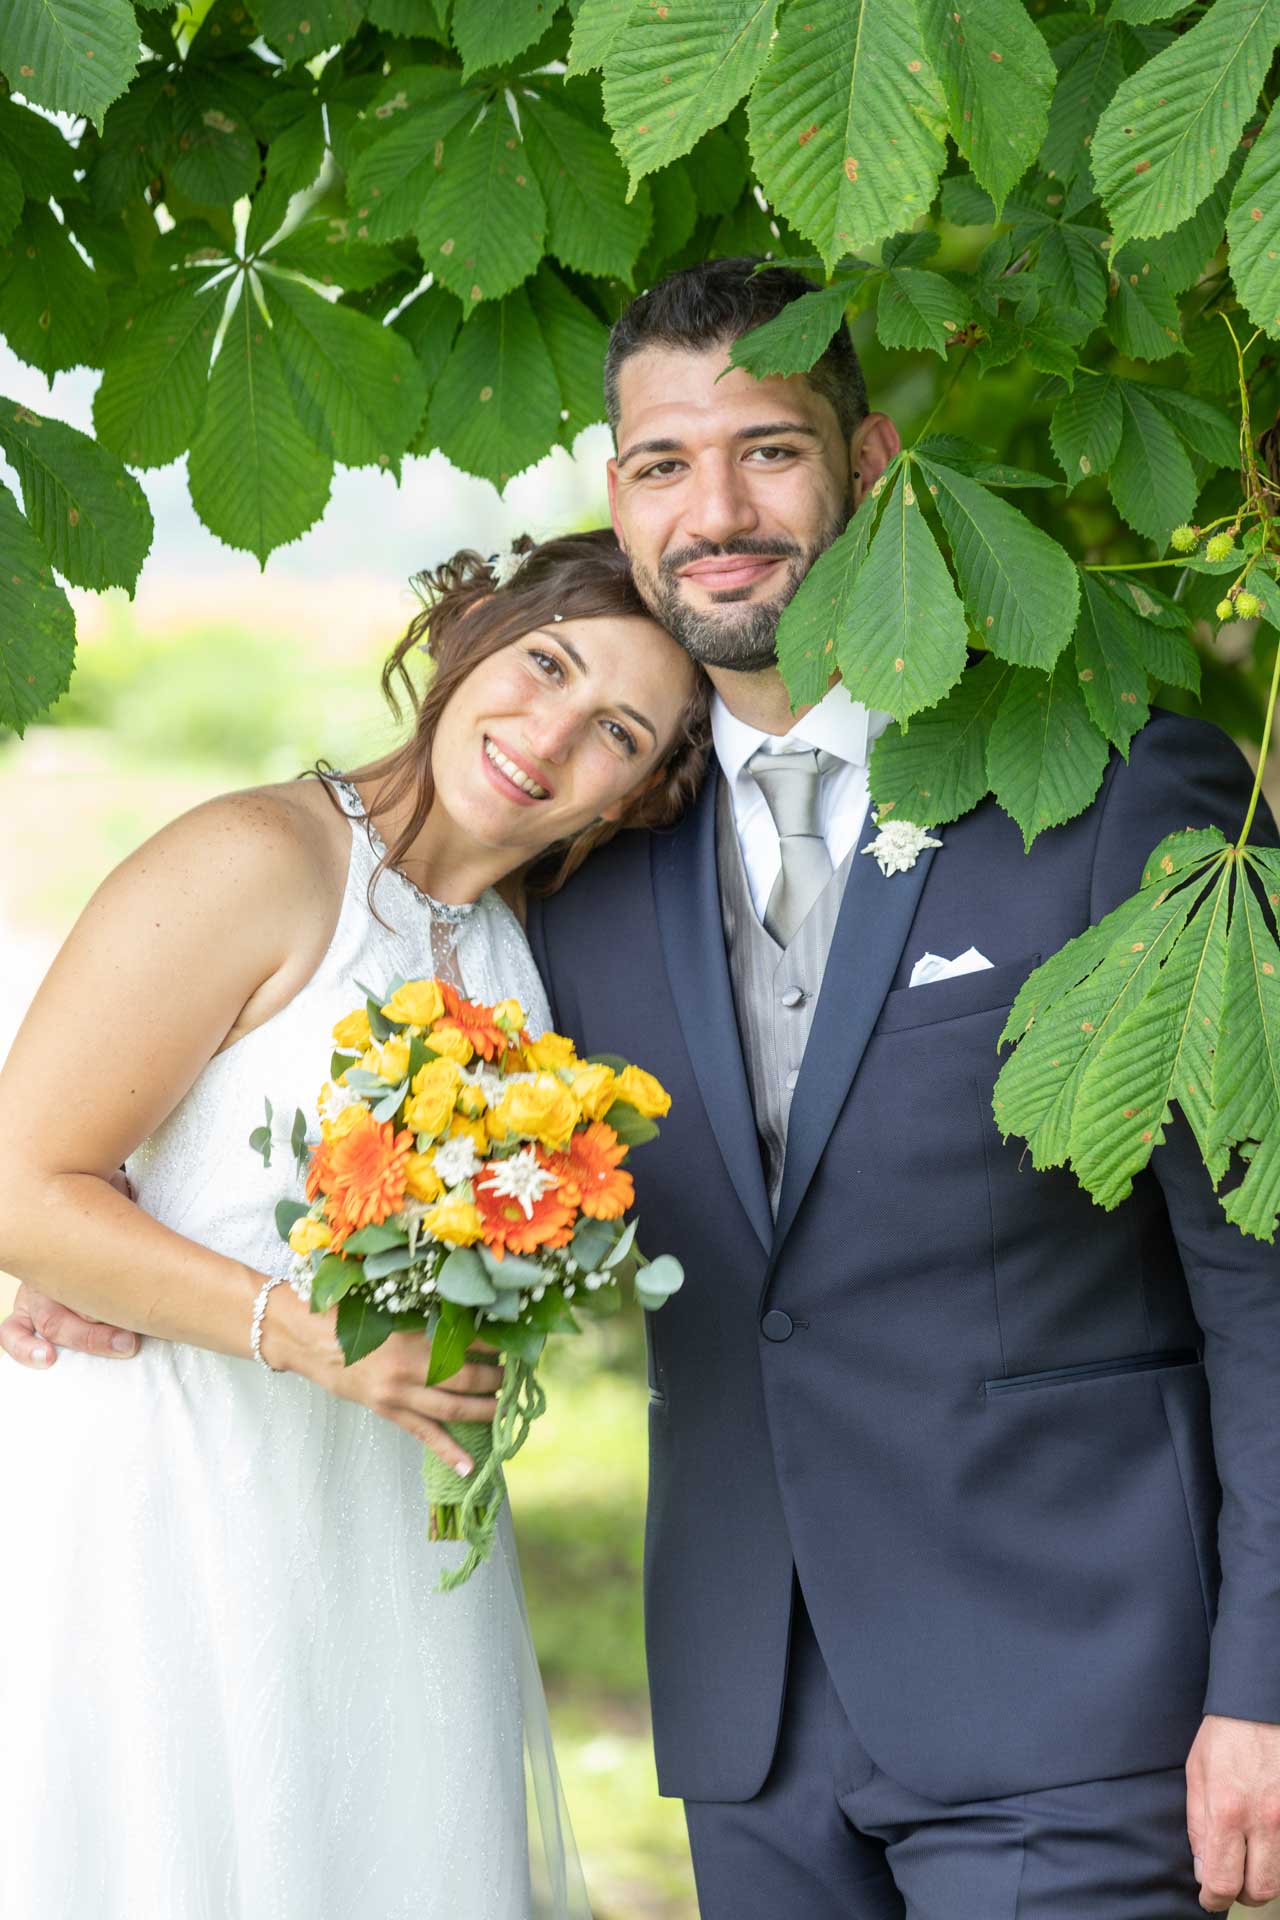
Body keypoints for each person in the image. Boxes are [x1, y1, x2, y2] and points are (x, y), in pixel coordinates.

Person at [13, 258, 1280, 1917]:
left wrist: (1260, 1681)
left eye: (769, 448)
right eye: (667, 464)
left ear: (871, 465)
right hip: (744, 1726)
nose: (722, 508)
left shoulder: (1110, 791)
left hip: (1075, 1697)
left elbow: (1261, 1272)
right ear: (615, 499)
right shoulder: (592, 870)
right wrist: (70, 1256)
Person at [0, 529, 708, 1920]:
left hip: (387, 1537)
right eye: (547, 662)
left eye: (617, 730)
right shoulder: (258, 859)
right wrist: (302, 1331)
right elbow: (23, 1184)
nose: (548, 735)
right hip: (176, 1503)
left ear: (640, 795)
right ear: (477, 633)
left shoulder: (524, 948)